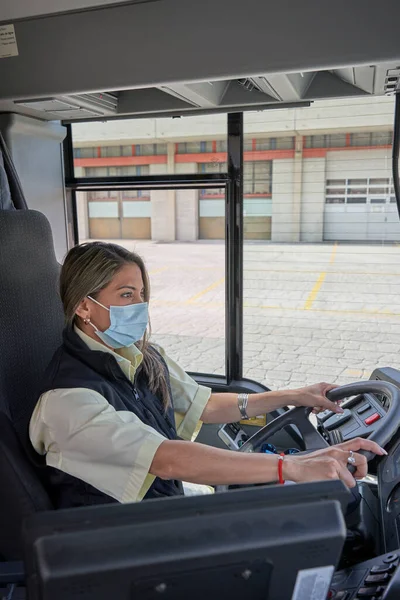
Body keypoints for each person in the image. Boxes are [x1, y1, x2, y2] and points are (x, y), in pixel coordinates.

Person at [29, 242, 386, 509]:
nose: (139, 306)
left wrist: (295, 396)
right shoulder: (68, 400)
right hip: (117, 534)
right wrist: (290, 466)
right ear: (82, 305)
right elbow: (168, 459)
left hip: (163, 503)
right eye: (125, 295)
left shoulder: (143, 357)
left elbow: (206, 405)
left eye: (141, 294)